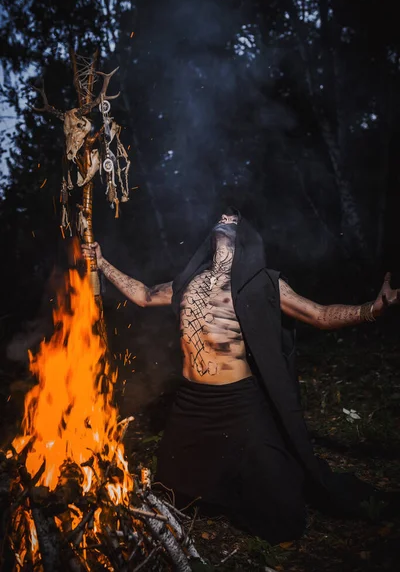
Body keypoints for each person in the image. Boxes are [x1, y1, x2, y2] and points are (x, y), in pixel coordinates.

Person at [82, 208, 400, 544]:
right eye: (221, 217)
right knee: (169, 495)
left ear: (247, 235)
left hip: (239, 404)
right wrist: (102, 264)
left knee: (283, 519)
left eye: (234, 219)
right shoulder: (188, 282)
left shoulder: (262, 283)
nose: (226, 220)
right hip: (192, 403)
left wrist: (372, 310)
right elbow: (144, 295)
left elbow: (319, 314)